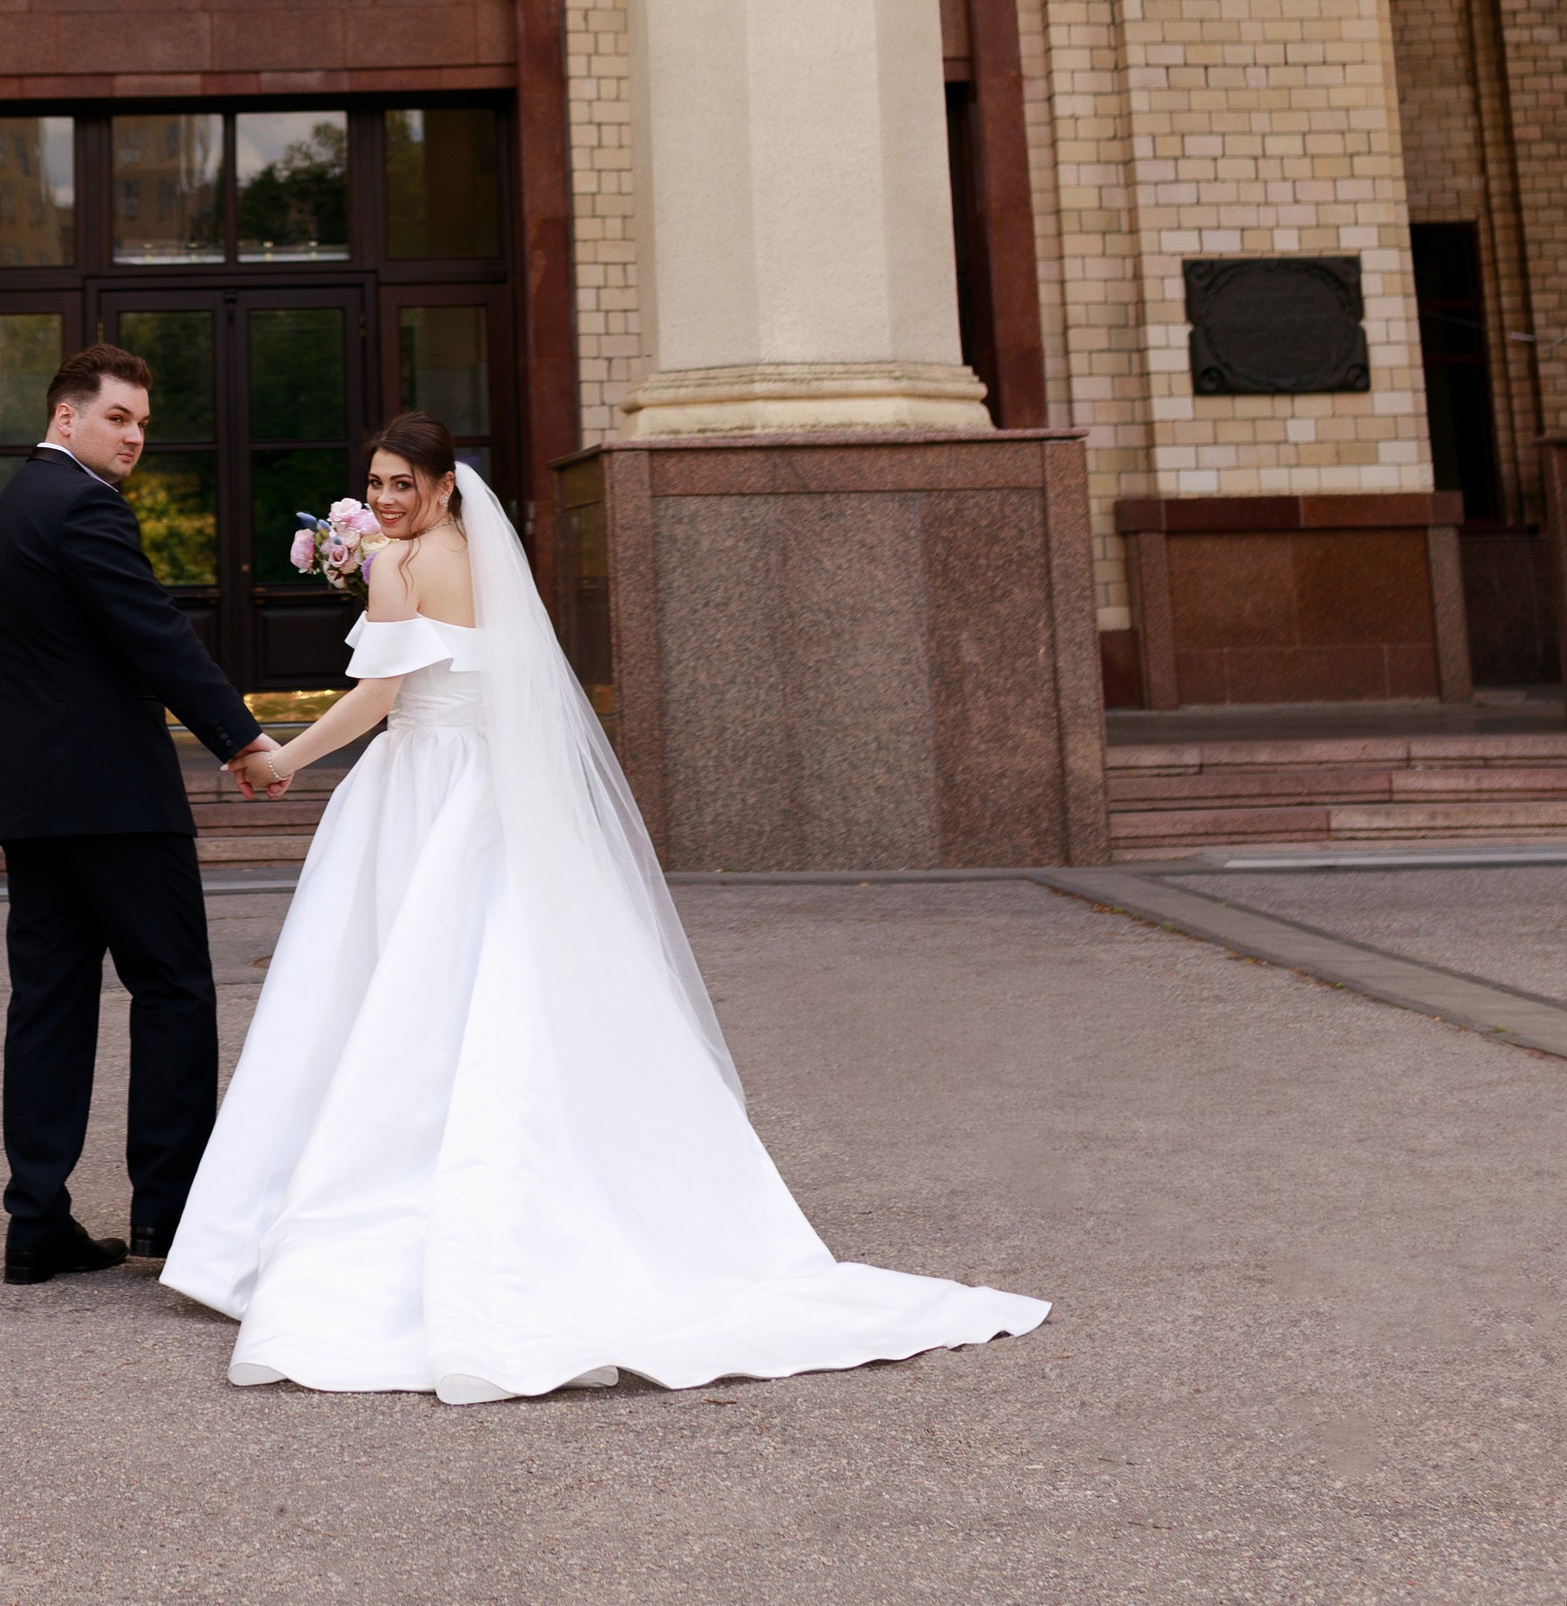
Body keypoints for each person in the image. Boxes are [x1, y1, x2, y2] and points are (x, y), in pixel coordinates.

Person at [161, 411, 1049, 1402]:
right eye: (372, 486)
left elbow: (382, 696)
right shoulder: (467, 557)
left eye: (400, 485)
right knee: (478, 976)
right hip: (482, 782)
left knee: (397, 979)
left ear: (445, 486)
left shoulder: (399, 566)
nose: (383, 503)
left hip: (422, 784)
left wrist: (283, 755)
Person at [0, 340, 289, 1286]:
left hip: (34, 802)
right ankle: (171, 1214)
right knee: (175, 991)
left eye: (143, 423)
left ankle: (36, 1222)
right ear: (66, 417)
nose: (135, 437)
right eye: (118, 417)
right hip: (115, 803)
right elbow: (153, 632)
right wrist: (242, 737)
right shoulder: (83, 508)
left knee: (49, 1007)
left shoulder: (8, 509)